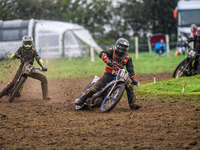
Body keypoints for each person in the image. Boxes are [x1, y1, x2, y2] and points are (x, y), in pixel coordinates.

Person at [75, 38, 140, 110]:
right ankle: (81, 100)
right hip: (108, 74)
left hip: (120, 76)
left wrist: (134, 79)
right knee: (95, 88)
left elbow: (131, 69)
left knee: (129, 85)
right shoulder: (112, 51)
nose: (123, 48)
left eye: (125, 47)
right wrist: (107, 61)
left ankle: (132, 104)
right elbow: (101, 53)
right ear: (117, 45)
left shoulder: (128, 58)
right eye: (121, 46)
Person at [0, 36, 51, 100]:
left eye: (29, 43)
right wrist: (15, 55)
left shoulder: (33, 51)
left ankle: (45, 96)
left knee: (44, 78)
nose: (27, 45)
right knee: (13, 83)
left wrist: (43, 66)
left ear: (32, 43)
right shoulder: (21, 49)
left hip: (30, 68)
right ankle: (1, 94)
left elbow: (38, 59)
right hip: (22, 67)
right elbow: (14, 55)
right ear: (23, 43)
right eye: (26, 43)